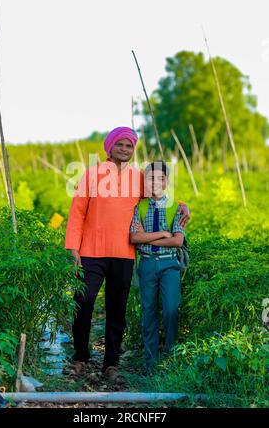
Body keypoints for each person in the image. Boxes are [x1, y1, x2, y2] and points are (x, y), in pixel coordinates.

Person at [65, 127, 190, 382]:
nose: (124, 149)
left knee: (117, 308)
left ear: (134, 150)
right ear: (109, 147)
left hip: (124, 253)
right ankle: (80, 358)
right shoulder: (92, 174)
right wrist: (73, 249)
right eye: (120, 144)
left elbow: (159, 196)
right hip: (91, 250)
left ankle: (110, 364)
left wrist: (183, 205)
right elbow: (77, 213)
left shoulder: (138, 178)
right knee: (84, 300)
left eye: (129, 146)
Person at [129, 160, 186, 375]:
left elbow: (178, 241)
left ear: (166, 181)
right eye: (151, 178)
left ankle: (171, 358)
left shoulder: (176, 207)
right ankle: (151, 363)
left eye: (160, 178)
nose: (155, 182)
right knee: (149, 312)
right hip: (147, 265)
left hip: (169, 264)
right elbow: (134, 237)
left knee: (171, 308)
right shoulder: (140, 207)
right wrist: (163, 234)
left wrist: (147, 239)